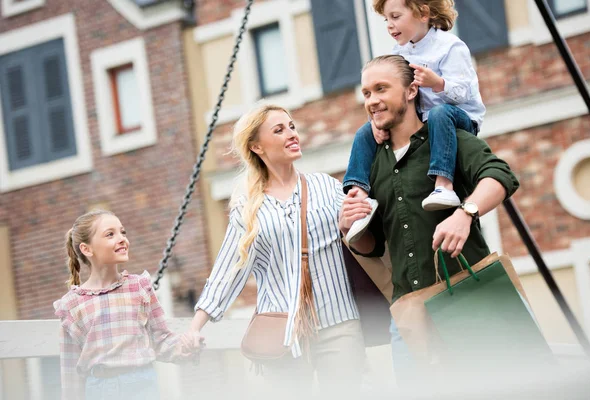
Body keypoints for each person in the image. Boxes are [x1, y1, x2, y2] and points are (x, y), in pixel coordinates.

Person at [339, 54, 519, 382]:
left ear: (410, 91)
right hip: (408, 314)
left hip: (467, 300)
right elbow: (373, 244)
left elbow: (500, 175)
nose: (372, 101)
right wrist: (350, 225)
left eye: (381, 89)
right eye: (366, 93)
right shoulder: (371, 163)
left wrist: (465, 213)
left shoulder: (445, 138)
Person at [189, 104, 366, 396]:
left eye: (292, 127)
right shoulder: (248, 209)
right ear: (257, 146)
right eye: (279, 130)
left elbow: (364, 231)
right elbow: (227, 272)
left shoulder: (325, 186)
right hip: (282, 334)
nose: (291, 134)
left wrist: (348, 224)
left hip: (339, 325)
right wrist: (196, 327)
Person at [343, 0, 486, 243]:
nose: (390, 25)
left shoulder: (450, 46)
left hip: (457, 118)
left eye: (395, 17)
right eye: (386, 19)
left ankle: (444, 185)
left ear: (423, 12)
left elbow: (464, 92)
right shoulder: (400, 53)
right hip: (425, 122)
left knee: (440, 112)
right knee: (364, 131)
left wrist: (437, 83)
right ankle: (360, 196)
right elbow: (395, 93)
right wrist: (375, 121)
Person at [54, 210, 203, 400]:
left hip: (144, 385)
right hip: (99, 390)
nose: (122, 238)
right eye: (110, 234)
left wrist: (185, 346)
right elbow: (70, 372)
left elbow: (161, 339)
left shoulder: (139, 287)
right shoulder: (71, 304)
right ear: (87, 249)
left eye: (122, 232)